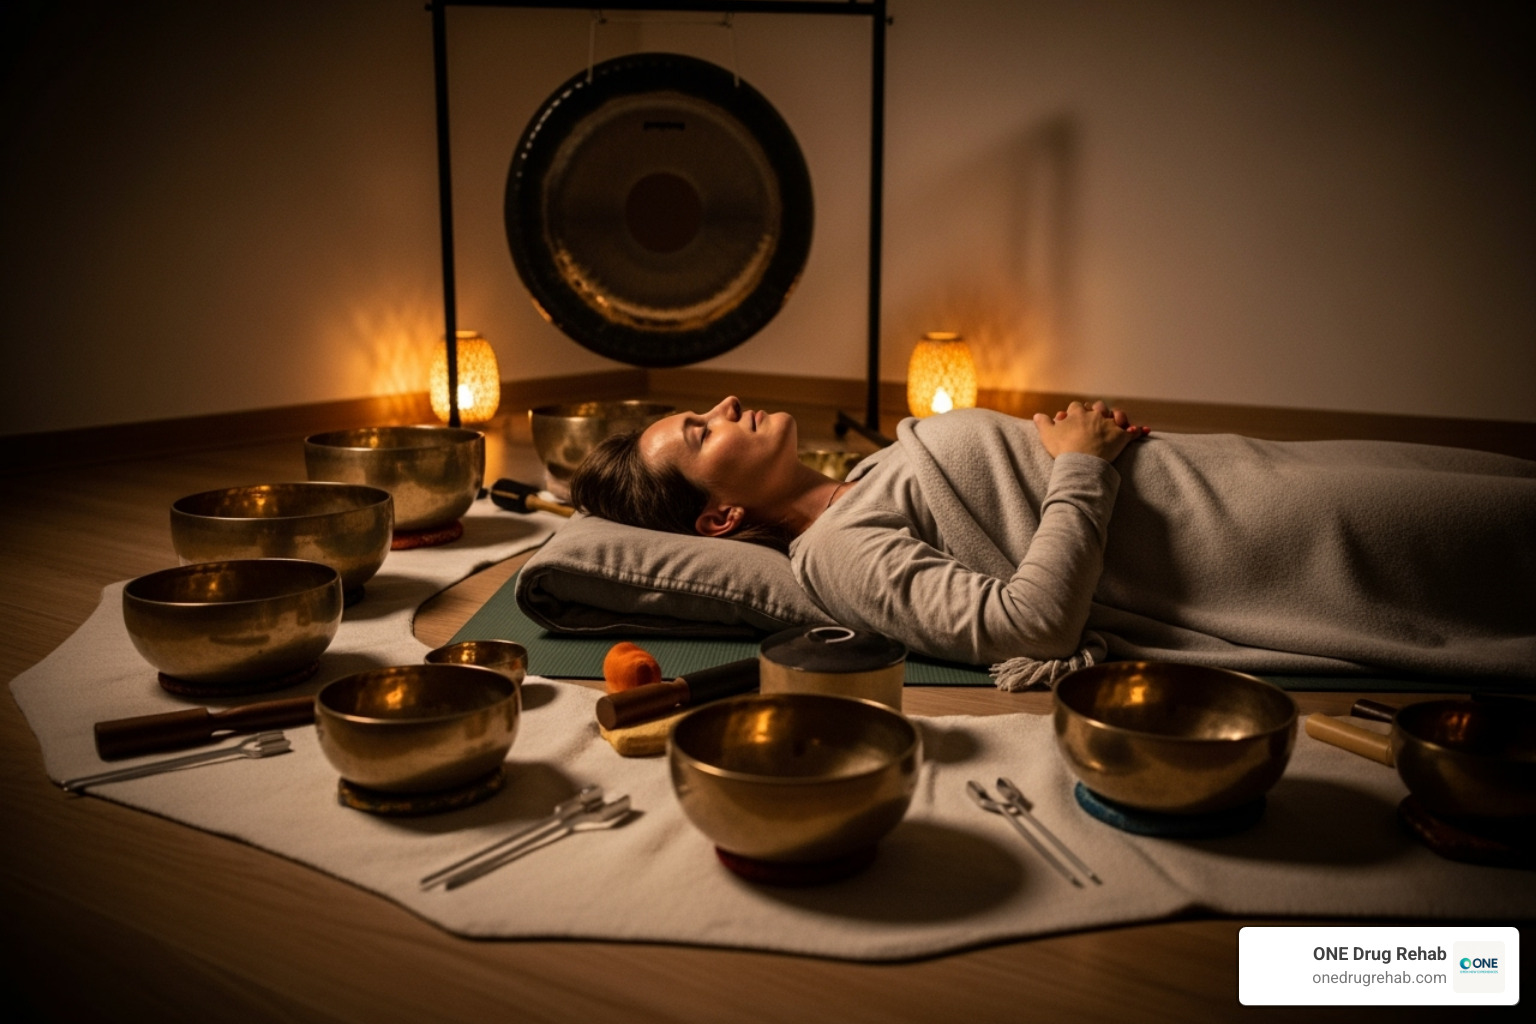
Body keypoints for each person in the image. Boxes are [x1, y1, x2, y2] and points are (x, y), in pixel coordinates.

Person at [570, 396, 1536, 686]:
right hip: (1243, 540)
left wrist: (1087, 445)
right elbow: (1027, 623)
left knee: (1478, 480)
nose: (724, 408)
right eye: (702, 434)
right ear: (720, 520)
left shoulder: (858, 480)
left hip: (1222, 474)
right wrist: (1080, 462)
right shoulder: (835, 550)